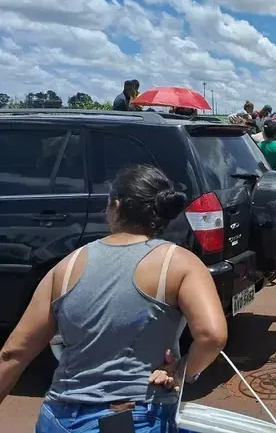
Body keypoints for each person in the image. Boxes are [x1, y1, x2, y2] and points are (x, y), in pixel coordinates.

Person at [0, 165, 228, 431]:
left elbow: (14, 352)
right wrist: (181, 371)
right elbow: (212, 336)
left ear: (116, 207)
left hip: (58, 416)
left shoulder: (66, 266)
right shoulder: (178, 263)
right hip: (134, 417)